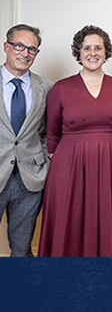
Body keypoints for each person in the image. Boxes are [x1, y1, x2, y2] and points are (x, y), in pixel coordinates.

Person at [38, 25, 112, 257]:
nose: (93, 53)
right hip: (69, 167)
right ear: (78, 53)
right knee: (71, 220)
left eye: (98, 48)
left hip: (111, 165)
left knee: (110, 219)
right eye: (86, 48)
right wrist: (64, 168)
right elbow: (52, 134)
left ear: (106, 51)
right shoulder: (61, 88)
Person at [0, 24, 53, 257]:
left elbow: (47, 133)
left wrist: (43, 163)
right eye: (19, 46)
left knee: (22, 249)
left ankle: (18, 292)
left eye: (32, 49)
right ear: (6, 47)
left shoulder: (47, 88)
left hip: (29, 180)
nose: (25, 53)